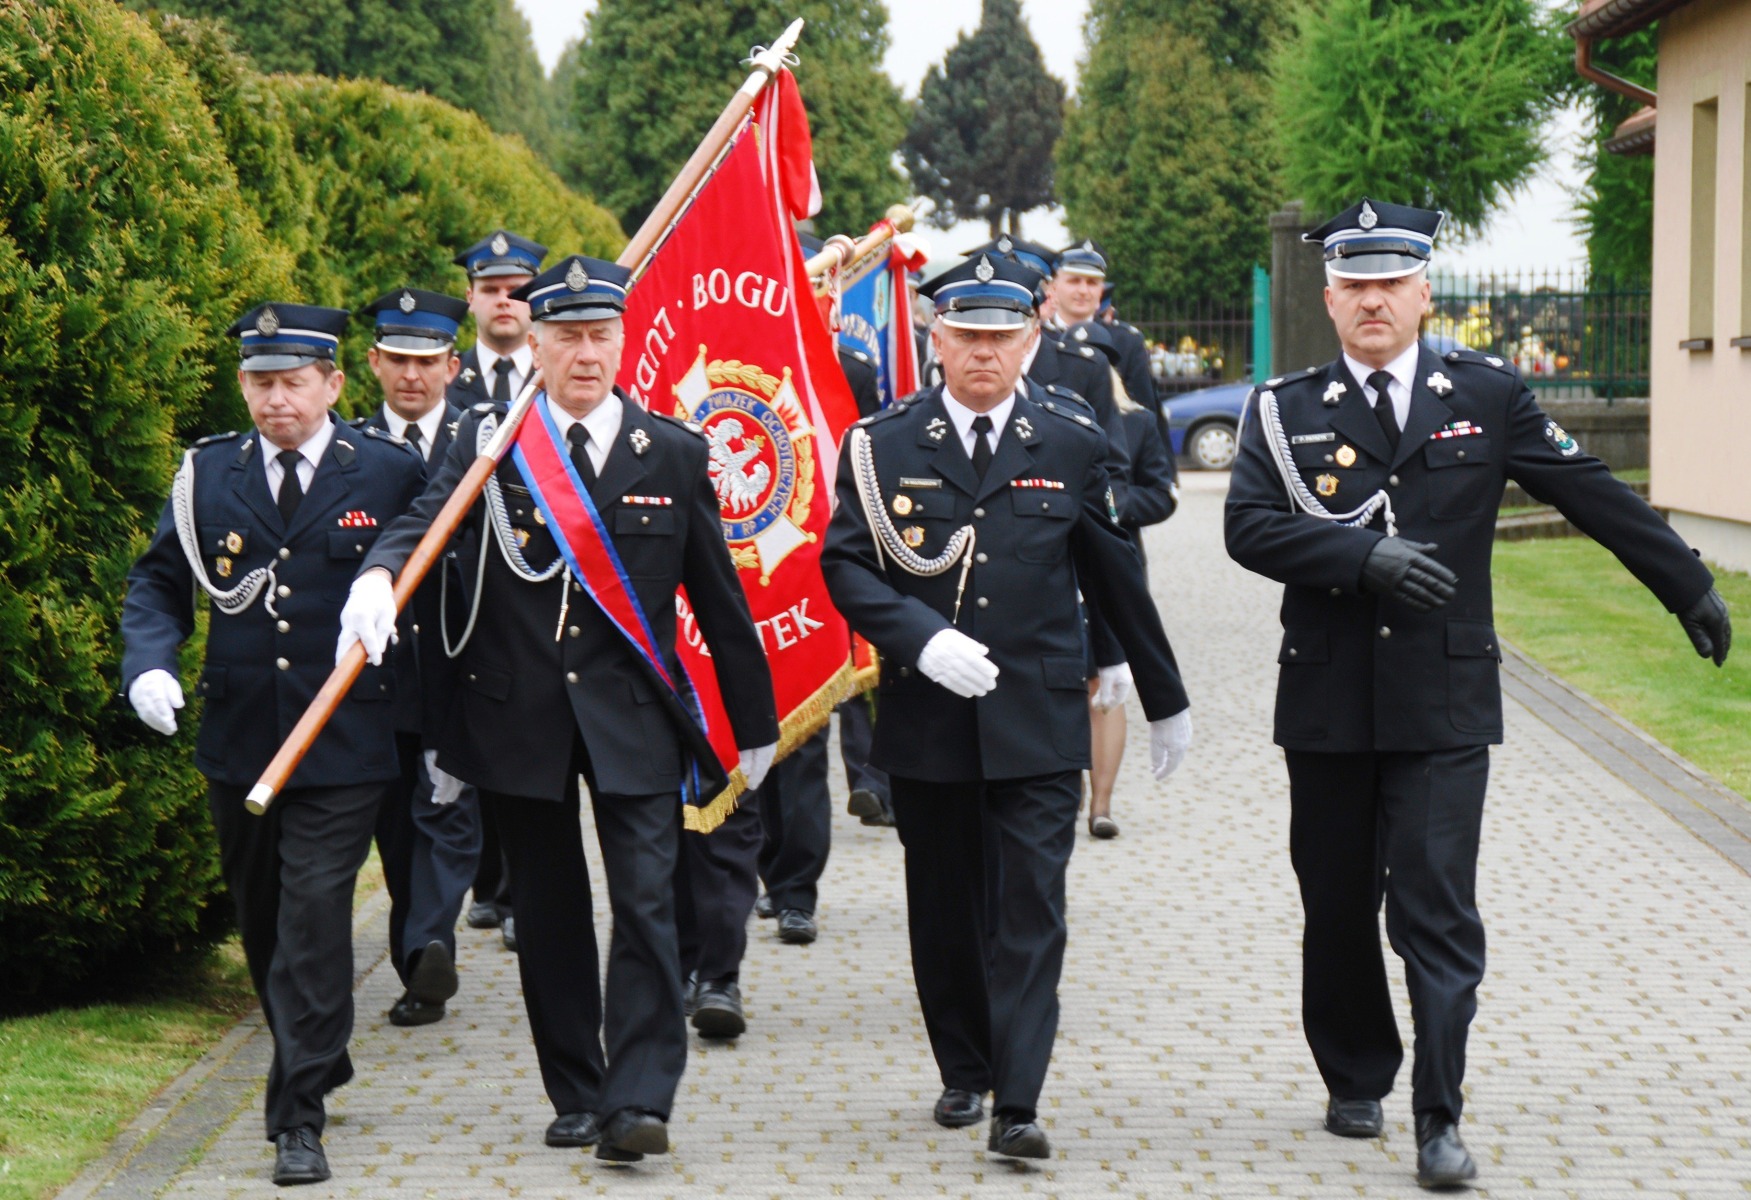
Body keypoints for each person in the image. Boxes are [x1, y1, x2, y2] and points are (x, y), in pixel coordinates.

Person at [1223, 197, 1733, 1190]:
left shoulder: (1486, 395)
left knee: (1434, 905)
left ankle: (1438, 1119)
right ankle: (1355, 1071)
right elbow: (1247, 529)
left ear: (1422, 292)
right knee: (1335, 903)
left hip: (1442, 699)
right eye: (1354, 284)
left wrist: (1684, 580)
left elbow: (1585, 488)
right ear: (1328, 299)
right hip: (1326, 699)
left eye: (1390, 282)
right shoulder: (1282, 411)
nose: (1373, 299)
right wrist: (1361, 557)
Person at [345, 254, 779, 1164]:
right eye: (567, 335)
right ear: (532, 340)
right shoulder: (488, 442)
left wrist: (756, 726)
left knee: (649, 902)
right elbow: (423, 520)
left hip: (632, 715)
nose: (586, 353)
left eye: (601, 335)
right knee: (546, 911)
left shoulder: (671, 451)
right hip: (517, 717)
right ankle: (577, 1089)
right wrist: (381, 575)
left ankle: (640, 1096)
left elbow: (720, 602)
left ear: (624, 341)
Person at [821, 252, 1195, 1161]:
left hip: (1034, 716)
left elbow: (1112, 572)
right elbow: (842, 562)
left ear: (1031, 336)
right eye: (966, 335)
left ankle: (1017, 1101)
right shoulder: (881, 444)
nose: (983, 352)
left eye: (1001, 336)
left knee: (1033, 909)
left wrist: (1159, 694)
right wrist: (916, 636)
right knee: (945, 907)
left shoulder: (1068, 438)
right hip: (931, 718)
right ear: (934, 336)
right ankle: (963, 1065)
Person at [122, 303, 426, 1187]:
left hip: (343, 740)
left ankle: (297, 1116)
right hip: (241, 735)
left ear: (333, 383)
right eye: (259, 382)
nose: (274, 399)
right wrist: (148, 663)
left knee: (314, 917)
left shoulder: (384, 470)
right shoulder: (207, 475)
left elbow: (427, 557)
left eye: (292, 381)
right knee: (262, 921)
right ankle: (317, 1047)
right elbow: (159, 582)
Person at [355, 286, 476, 1026]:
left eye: (426, 361)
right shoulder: (349, 451)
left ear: (451, 366)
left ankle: (430, 946)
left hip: (462, 667)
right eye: (397, 359)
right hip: (379, 674)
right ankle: (417, 951)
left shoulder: (484, 444)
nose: (411, 375)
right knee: (398, 826)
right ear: (371, 363)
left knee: (452, 812)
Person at [447, 229, 546, 947]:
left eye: (517, 291)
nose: (505, 302)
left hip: (539, 597)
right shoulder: (446, 388)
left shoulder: (559, 383)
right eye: (491, 290)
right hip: (465, 595)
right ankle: (487, 881)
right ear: (471, 299)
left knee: (526, 747)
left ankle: (517, 894)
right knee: (472, 744)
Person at [1073, 321, 1180, 840]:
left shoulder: (1136, 423)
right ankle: (1061, 788)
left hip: (1114, 568)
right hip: (1058, 571)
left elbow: (1161, 494)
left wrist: (1112, 507)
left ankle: (1102, 802)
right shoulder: (1053, 418)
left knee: (1106, 682)